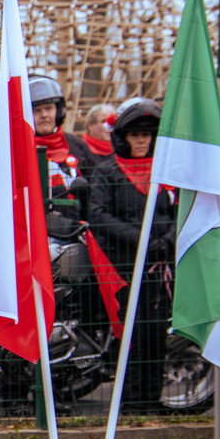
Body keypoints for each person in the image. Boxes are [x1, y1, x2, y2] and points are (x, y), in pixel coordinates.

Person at [89, 97, 175, 414]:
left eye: (147, 134)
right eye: (135, 134)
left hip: (159, 266)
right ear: (123, 137)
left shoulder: (166, 172)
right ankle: (131, 401)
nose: (141, 141)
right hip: (122, 266)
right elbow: (98, 215)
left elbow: (181, 211)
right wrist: (141, 240)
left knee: (155, 331)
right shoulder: (107, 171)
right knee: (132, 332)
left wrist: (167, 241)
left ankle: (152, 398)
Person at [29, 75, 99, 181]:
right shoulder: (19, 149)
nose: (44, 115)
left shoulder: (76, 145)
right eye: (37, 110)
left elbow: (94, 183)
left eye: (48, 109)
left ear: (58, 111)